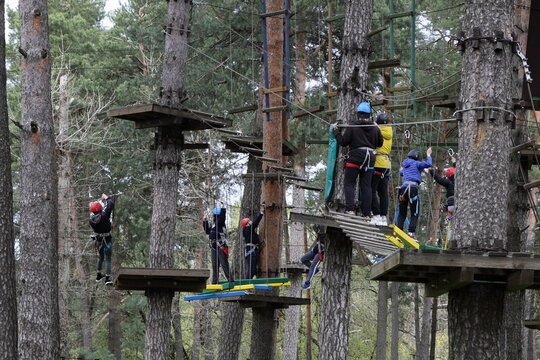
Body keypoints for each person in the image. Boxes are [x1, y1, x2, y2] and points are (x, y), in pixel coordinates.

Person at [333, 101, 383, 217]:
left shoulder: (353, 125)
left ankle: (350, 209)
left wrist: (336, 132)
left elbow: (344, 142)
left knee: (349, 183)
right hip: (370, 157)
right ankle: (366, 213)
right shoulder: (375, 128)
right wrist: (378, 129)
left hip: (356, 157)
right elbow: (380, 144)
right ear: (369, 115)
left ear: (358, 113)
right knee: (366, 186)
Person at [396, 147, 433, 239]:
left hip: (403, 189)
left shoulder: (405, 164)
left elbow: (401, 173)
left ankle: (398, 232)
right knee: (414, 212)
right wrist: (428, 155)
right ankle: (411, 233)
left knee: (402, 213)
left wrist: (402, 168)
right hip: (412, 189)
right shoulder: (417, 163)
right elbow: (429, 164)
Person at [371, 113, 393, 226]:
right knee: (383, 192)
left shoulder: (376, 130)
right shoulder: (389, 131)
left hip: (377, 163)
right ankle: (384, 217)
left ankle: (377, 214)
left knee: (371, 189)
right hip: (386, 165)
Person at [203, 204, 233, 284]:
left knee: (224, 264)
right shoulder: (214, 225)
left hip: (221, 246)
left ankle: (230, 280)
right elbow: (207, 231)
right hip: (214, 247)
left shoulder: (220, 223)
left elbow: (222, 217)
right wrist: (205, 221)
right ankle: (214, 282)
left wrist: (223, 208)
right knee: (215, 266)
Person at [429, 156, 456, 244]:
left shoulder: (448, 182)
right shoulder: (460, 180)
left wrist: (431, 171)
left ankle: (450, 241)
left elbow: (438, 179)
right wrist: (454, 162)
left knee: (451, 225)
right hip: (460, 204)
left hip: (451, 205)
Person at [89, 194, 115, 285]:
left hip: (98, 240)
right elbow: (110, 204)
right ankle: (108, 279)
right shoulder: (104, 215)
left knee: (101, 257)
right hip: (107, 240)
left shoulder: (91, 220)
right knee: (108, 258)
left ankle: (98, 275)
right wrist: (106, 198)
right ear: (100, 208)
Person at [241, 205, 265, 279]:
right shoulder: (248, 229)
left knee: (253, 270)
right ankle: (246, 284)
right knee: (251, 270)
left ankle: (248, 283)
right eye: (249, 221)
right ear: (247, 224)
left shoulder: (248, 231)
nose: (251, 221)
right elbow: (255, 223)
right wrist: (261, 213)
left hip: (251, 252)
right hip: (251, 252)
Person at [301, 225, 327, 290]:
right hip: (316, 250)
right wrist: (314, 249)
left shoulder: (327, 235)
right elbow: (318, 242)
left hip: (321, 253)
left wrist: (321, 252)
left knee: (313, 266)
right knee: (303, 259)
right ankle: (317, 270)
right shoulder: (319, 233)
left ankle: (307, 283)